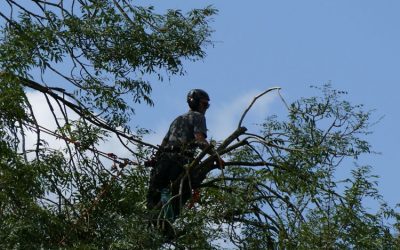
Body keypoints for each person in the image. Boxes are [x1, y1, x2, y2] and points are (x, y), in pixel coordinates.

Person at [146, 89, 211, 220]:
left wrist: (155, 160)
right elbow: (200, 140)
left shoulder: (178, 119)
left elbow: (164, 143)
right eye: (205, 104)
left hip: (163, 161)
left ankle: (152, 225)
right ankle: (165, 225)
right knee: (182, 193)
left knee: (153, 199)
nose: (206, 108)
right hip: (180, 162)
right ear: (197, 103)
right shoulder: (198, 117)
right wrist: (216, 155)